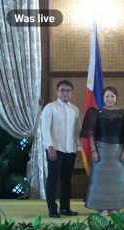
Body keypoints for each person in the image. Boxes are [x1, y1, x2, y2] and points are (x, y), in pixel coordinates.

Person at [80, 86, 124, 217]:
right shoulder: (96, 113)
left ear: (116, 97)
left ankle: (115, 207)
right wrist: (94, 150)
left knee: (118, 181)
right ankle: (101, 208)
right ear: (103, 98)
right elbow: (90, 133)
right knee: (101, 181)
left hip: (118, 151)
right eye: (107, 96)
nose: (109, 99)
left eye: (112, 96)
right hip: (101, 151)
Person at [41, 80, 81, 218]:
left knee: (66, 180)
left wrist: (78, 149)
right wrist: (49, 146)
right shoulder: (50, 108)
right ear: (57, 92)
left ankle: (65, 208)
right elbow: (44, 129)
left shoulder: (75, 110)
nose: (65, 93)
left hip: (70, 150)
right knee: (52, 179)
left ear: (71, 93)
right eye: (62, 90)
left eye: (68, 90)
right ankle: (52, 209)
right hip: (55, 149)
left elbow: (77, 131)